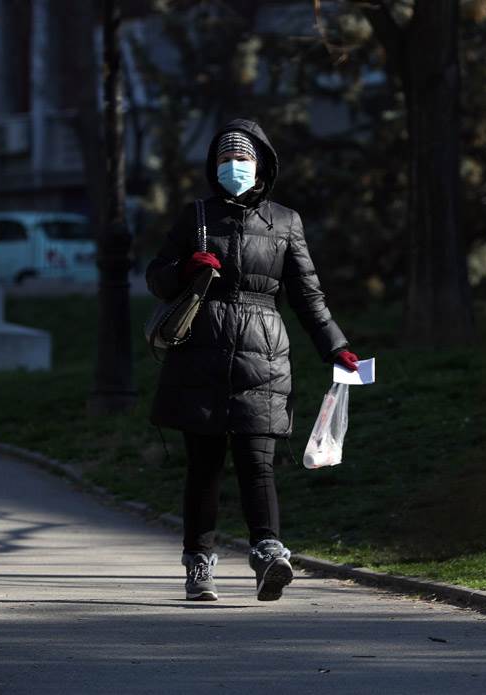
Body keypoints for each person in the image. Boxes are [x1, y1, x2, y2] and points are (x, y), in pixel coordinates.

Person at [146, 119, 358, 602]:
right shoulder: (195, 216)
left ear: (261, 165)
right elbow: (157, 277)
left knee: (257, 463)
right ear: (212, 167)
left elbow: (308, 295)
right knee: (203, 466)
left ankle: (268, 555)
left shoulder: (285, 222)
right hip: (199, 354)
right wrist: (185, 269)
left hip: (263, 357)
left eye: (242, 159)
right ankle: (199, 566)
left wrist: (335, 345)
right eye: (224, 159)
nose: (233, 167)